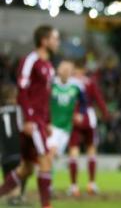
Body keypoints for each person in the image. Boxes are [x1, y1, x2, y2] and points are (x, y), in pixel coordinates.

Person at [0, 25, 60, 208]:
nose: (57, 43)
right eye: (54, 38)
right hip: (31, 119)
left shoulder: (49, 66)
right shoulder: (30, 60)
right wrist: (27, 119)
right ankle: (46, 205)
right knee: (45, 159)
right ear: (44, 41)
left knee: (26, 168)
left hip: (40, 120)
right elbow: (22, 90)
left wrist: (48, 121)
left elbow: (45, 96)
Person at [67, 60, 109, 197]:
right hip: (88, 119)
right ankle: (91, 184)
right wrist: (105, 113)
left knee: (74, 150)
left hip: (74, 119)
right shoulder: (89, 82)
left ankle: (74, 186)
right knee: (90, 149)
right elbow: (99, 99)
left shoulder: (69, 83)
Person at [47, 60, 85, 191]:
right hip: (52, 126)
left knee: (55, 156)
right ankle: (48, 185)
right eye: (64, 69)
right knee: (50, 154)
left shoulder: (76, 86)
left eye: (69, 70)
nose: (67, 72)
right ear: (59, 70)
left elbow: (84, 102)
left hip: (66, 128)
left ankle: (47, 180)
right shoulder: (51, 84)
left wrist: (80, 113)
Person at [0, 85, 28, 206]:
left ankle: (11, 198)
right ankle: (19, 196)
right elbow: (22, 128)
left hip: (4, 152)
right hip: (17, 149)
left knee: (8, 177)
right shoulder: (19, 110)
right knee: (23, 172)